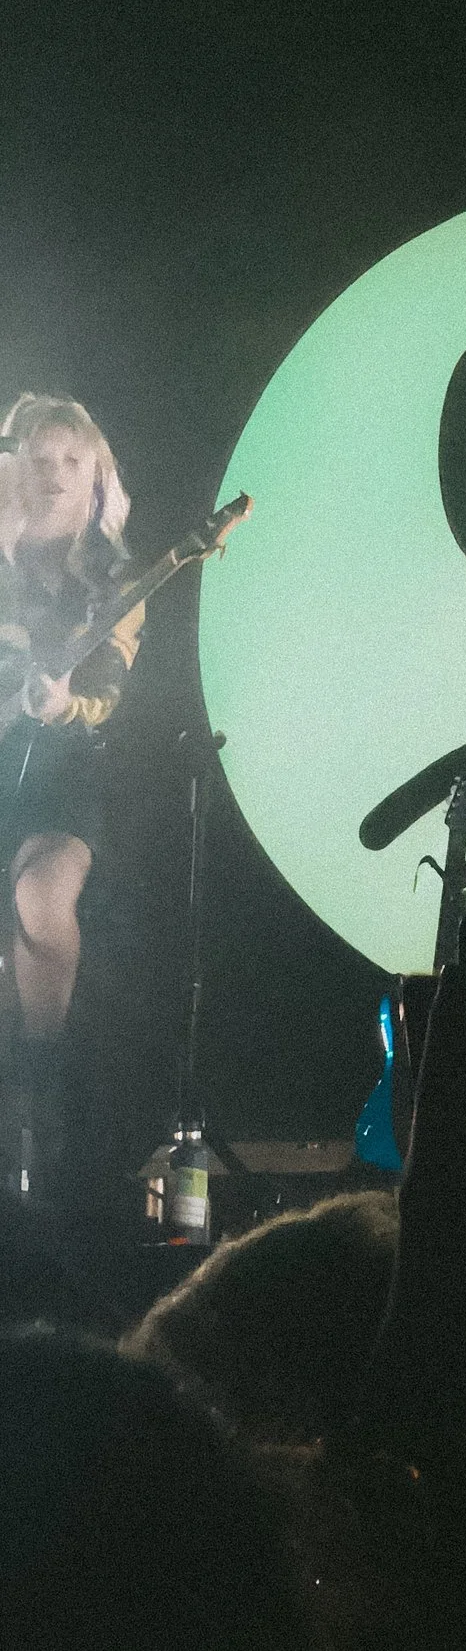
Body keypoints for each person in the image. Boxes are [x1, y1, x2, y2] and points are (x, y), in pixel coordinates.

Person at [2, 394, 144, 1196]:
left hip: (65, 770)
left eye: (71, 459)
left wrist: (63, 706)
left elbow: (106, 696)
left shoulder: (118, 580)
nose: (54, 474)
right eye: (39, 458)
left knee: (40, 897)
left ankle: (41, 1075)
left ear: (96, 477)